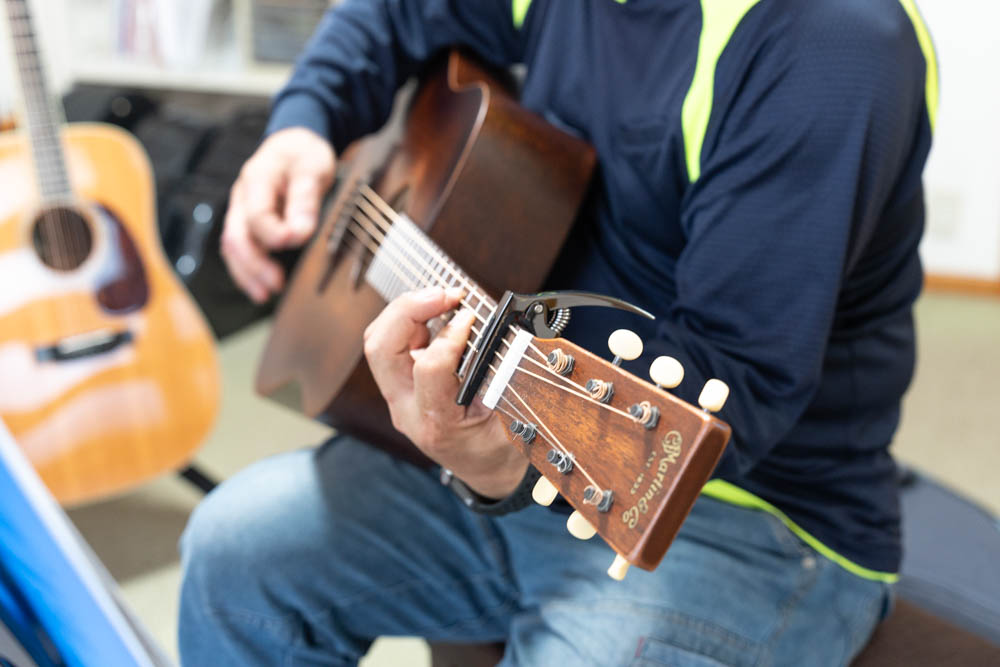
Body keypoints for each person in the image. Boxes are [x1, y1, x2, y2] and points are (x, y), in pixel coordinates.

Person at [179, 0, 937, 664]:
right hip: (528, 415)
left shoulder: (831, 43)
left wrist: (506, 466)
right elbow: (390, 12)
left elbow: (738, 384)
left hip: (750, 514)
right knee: (232, 554)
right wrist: (306, 122)